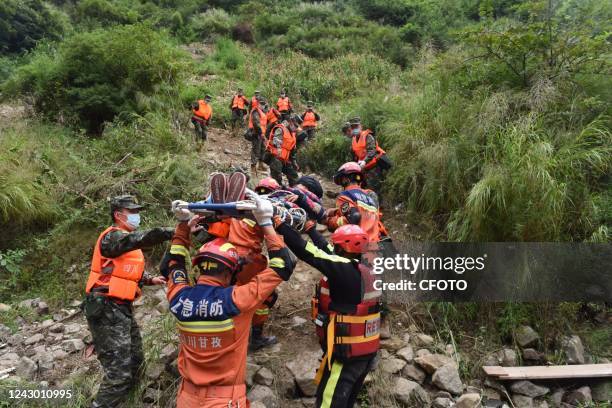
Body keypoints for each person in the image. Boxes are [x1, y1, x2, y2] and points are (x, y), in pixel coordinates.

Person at [165, 195, 295, 408]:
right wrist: (265, 222)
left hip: (186, 398)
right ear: (230, 273)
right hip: (223, 400)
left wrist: (182, 226)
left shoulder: (179, 298)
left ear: (199, 268)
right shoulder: (238, 300)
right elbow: (283, 265)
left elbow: (174, 264)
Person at [275, 221, 381, 408]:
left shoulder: (343, 271)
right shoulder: (365, 270)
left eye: (337, 246)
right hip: (365, 352)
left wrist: (279, 224)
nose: (334, 249)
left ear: (344, 248)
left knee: (329, 403)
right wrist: (311, 230)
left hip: (346, 356)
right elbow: (327, 251)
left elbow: (307, 252)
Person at [83, 195, 173, 408]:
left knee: (135, 363)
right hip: (106, 307)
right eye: (132, 212)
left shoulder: (125, 242)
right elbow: (139, 239)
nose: (136, 216)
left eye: (136, 211)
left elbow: (123, 271)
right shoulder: (112, 238)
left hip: (120, 308)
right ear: (118, 214)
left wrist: (149, 279)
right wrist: (170, 232)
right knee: (118, 374)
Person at [326, 162, 381, 244]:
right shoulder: (370, 195)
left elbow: (353, 217)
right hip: (375, 241)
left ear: (345, 180)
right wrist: (336, 211)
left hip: (358, 244)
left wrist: (329, 221)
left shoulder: (345, 195)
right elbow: (363, 212)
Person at [348, 117, 391, 194]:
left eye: (356, 126)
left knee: (373, 189)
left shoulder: (368, 136)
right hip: (363, 168)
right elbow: (355, 155)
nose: (354, 128)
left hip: (373, 166)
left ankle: (377, 204)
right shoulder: (353, 139)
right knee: (362, 187)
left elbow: (372, 151)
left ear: (361, 126)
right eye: (352, 127)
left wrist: (364, 161)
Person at [264, 115, 299, 186]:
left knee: (294, 175)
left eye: (297, 127)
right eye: (295, 126)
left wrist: (294, 162)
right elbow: (275, 140)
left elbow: (292, 149)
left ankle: (295, 191)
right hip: (276, 157)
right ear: (290, 123)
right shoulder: (281, 129)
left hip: (285, 159)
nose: (295, 128)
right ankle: (276, 190)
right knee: (277, 178)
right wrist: (279, 148)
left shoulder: (293, 134)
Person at [248, 98, 268, 176]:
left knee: (263, 149)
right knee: (256, 150)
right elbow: (256, 123)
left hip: (262, 133)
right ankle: (253, 166)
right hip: (256, 133)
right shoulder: (255, 111)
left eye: (263, 104)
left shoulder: (263, 112)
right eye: (261, 104)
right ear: (258, 104)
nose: (262, 105)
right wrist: (260, 133)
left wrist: (263, 134)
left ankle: (260, 164)